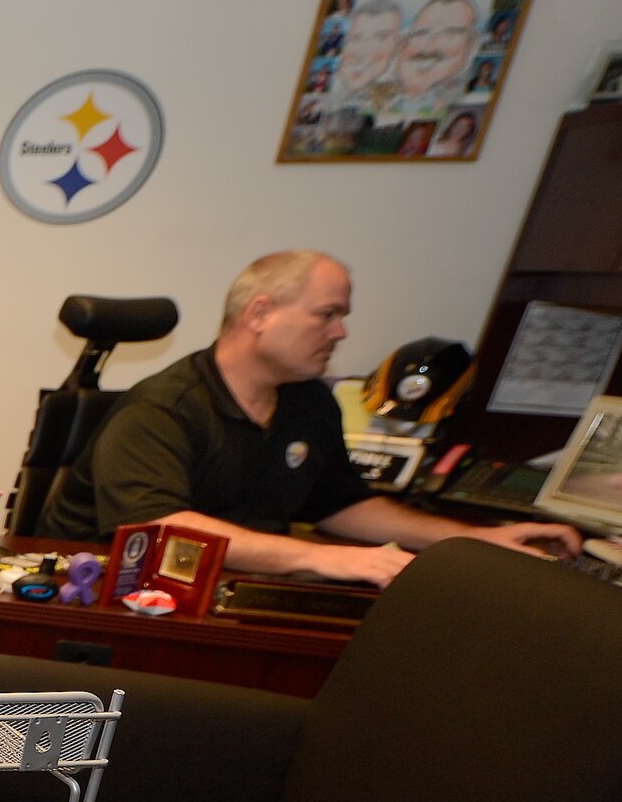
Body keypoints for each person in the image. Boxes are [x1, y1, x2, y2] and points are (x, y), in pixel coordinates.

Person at [37, 251, 581, 587]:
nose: (340, 333)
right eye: (327, 315)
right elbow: (158, 529)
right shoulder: (163, 408)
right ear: (260, 313)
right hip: (114, 595)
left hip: (236, 589)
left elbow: (343, 504)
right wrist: (329, 560)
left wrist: (473, 541)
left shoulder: (307, 401)